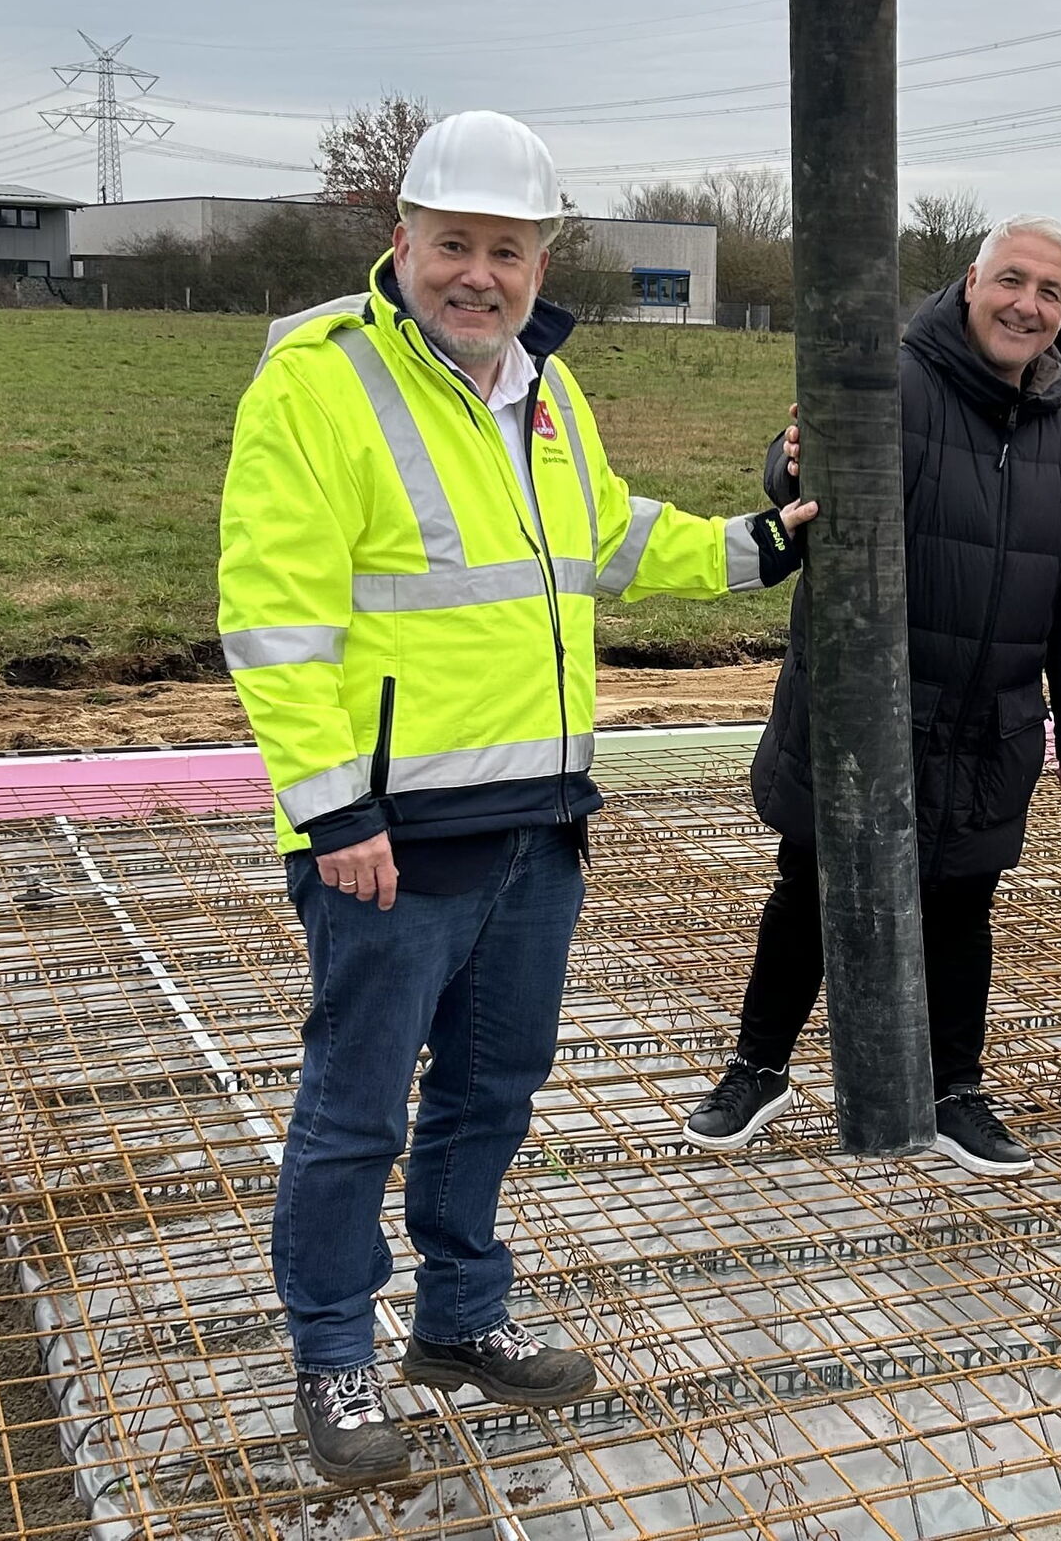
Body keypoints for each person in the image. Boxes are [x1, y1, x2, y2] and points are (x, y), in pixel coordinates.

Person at [218, 110, 813, 1480]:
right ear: (402, 242)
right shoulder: (319, 384)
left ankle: (460, 1322)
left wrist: (759, 547)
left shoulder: (540, 387)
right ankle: (332, 1354)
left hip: (538, 819)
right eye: (453, 245)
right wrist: (332, 809)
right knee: (356, 1108)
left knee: (493, 1094)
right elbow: (273, 616)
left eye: (507, 249)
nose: (477, 273)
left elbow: (602, 537)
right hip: (392, 833)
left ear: (541, 261)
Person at [681, 214, 1061, 1177]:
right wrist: (787, 462)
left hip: (987, 721)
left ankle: (954, 1089)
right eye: (1012, 281)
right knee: (812, 886)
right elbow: (795, 466)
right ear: (971, 281)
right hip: (864, 710)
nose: (1027, 305)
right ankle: (758, 1068)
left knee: (962, 903)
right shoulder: (891, 389)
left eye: (1050, 292)